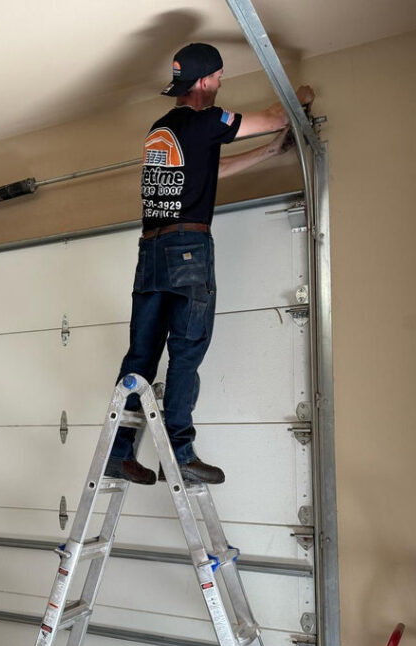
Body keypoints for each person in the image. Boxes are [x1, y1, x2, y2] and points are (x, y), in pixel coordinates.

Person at [106, 42, 314, 485]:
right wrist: (304, 93)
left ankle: (117, 452)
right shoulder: (207, 120)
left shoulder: (162, 130)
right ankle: (179, 452)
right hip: (187, 250)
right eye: (219, 78)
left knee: (141, 356)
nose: (221, 85)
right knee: (187, 349)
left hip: (151, 252)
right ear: (204, 82)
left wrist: (265, 154)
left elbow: (208, 172)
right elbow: (277, 116)